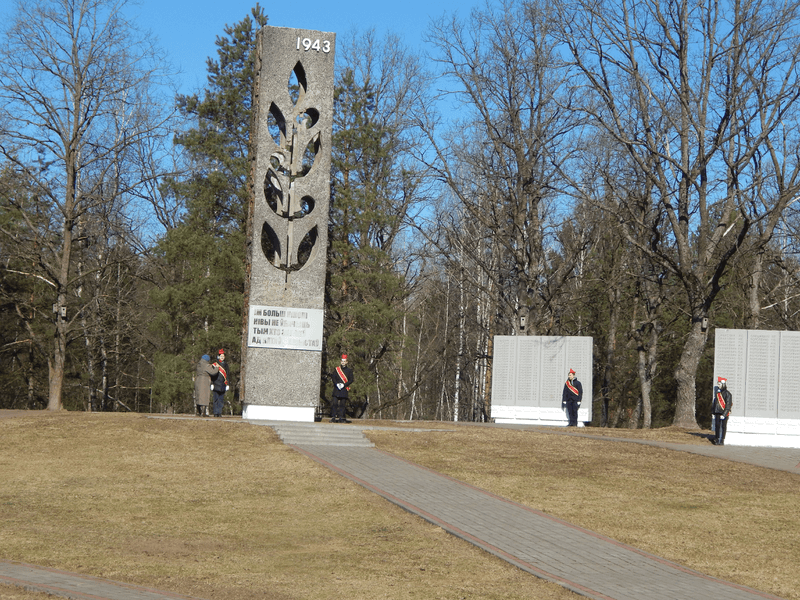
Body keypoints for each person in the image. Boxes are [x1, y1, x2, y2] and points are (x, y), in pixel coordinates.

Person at [329, 354, 354, 423]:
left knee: (342, 405)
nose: (343, 362)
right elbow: (333, 377)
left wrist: (344, 385)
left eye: (344, 361)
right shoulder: (337, 369)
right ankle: (333, 417)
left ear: (347, 362)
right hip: (336, 388)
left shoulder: (349, 370)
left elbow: (351, 380)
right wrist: (336, 384)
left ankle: (341, 417)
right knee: (334, 404)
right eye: (342, 361)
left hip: (344, 389)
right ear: (340, 361)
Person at [711, 376, 732, 445]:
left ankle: (722, 440)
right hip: (717, 412)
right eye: (718, 384)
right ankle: (716, 439)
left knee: (723, 427)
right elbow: (715, 403)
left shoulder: (728, 394)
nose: (718, 386)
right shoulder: (718, 393)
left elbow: (728, 405)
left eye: (719, 384)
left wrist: (724, 414)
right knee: (717, 426)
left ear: (723, 384)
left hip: (723, 413)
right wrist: (713, 412)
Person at [211, 348, 230, 418]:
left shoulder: (226, 365)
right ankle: (215, 412)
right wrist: (212, 383)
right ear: (218, 356)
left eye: (223, 356)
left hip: (223, 384)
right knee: (215, 399)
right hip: (216, 383)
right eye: (221, 356)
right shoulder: (215, 364)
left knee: (221, 400)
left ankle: (219, 412)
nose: (222, 358)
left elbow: (228, 374)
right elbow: (212, 374)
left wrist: (227, 384)